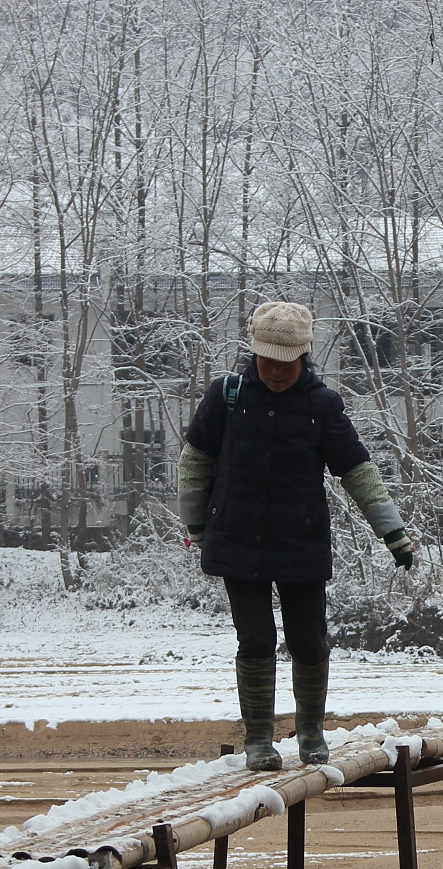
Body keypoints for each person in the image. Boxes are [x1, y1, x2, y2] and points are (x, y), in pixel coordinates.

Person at [179, 301, 416, 771]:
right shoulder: (225, 396)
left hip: (300, 540)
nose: (276, 371)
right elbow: (194, 461)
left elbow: (357, 470)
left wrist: (393, 532)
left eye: (286, 363)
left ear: (303, 357)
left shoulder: (321, 405)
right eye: (267, 360)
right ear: (254, 354)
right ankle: (259, 740)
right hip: (236, 539)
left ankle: (310, 732)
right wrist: (196, 525)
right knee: (256, 639)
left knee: (309, 640)